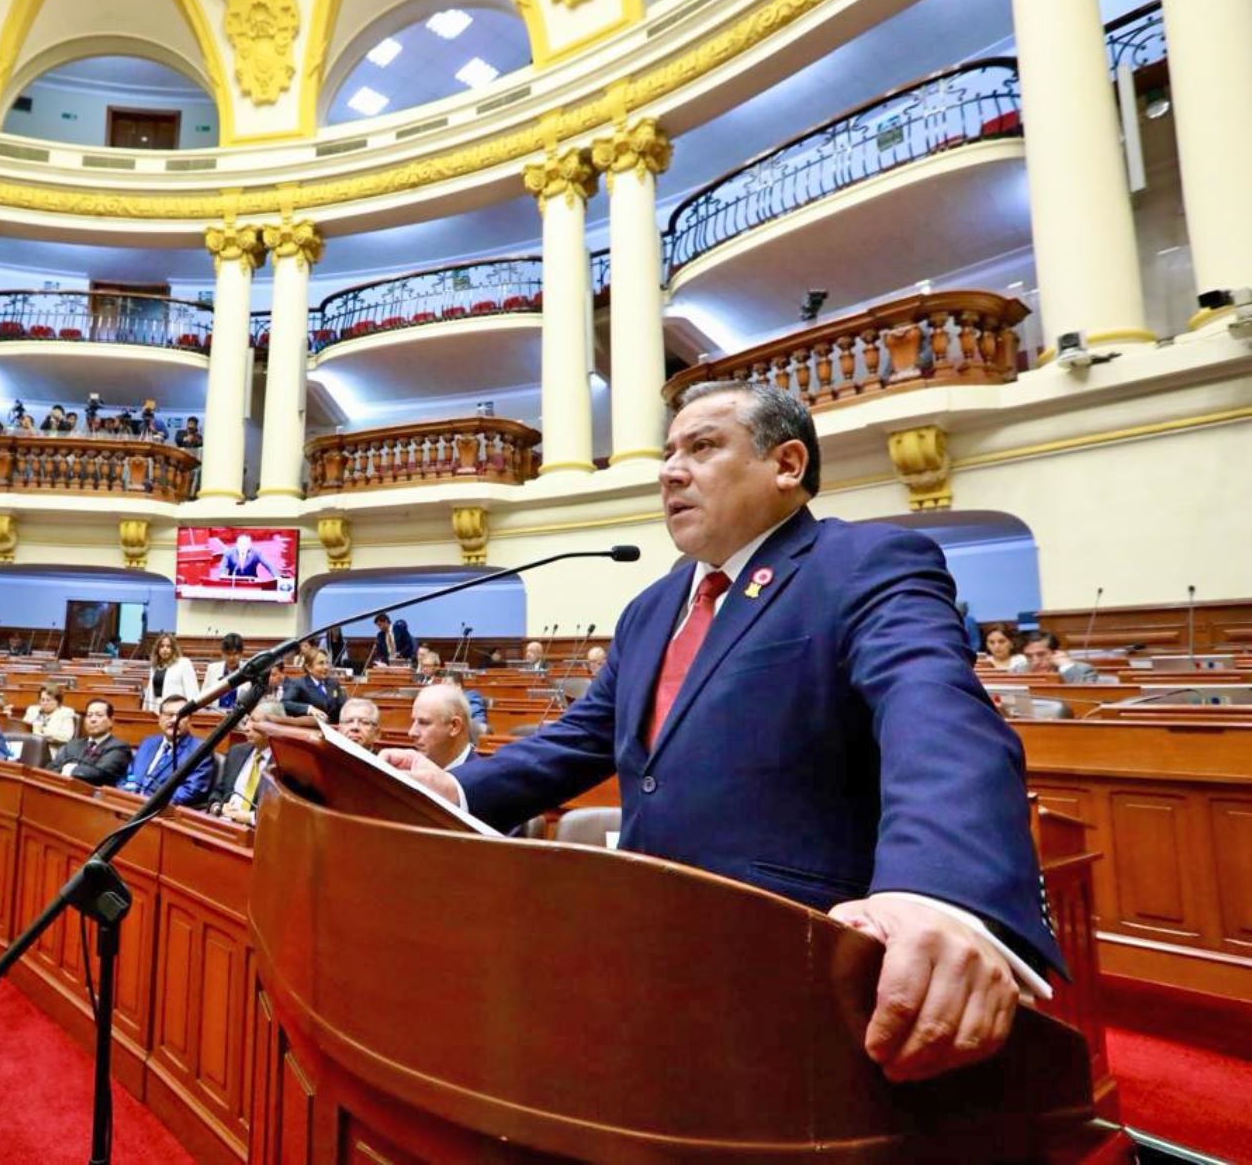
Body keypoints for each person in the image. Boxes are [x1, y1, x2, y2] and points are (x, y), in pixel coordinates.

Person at [382, 380, 1062, 1084]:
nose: (670, 470)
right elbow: (583, 735)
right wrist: (455, 790)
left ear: (787, 465)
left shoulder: (864, 564)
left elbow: (935, 711)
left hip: (807, 965)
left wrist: (937, 892)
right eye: (669, 452)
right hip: (657, 953)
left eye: (703, 447)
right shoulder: (654, 606)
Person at [120, 696, 211, 808]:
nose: (174, 720)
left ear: (189, 719)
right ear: (160, 718)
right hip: (130, 805)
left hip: (160, 811)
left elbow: (191, 790)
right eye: (169, 715)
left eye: (180, 715)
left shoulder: (200, 750)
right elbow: (129, 774)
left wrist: (151, 803)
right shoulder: (148, 742)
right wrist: (124, 794)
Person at [209, 701, 283, 824]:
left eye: (254, 722)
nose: (246, 728)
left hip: (257, 834)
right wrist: (218, 808)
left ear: (273, 726)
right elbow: (218, 793)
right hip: (224, 824)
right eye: (247, 720)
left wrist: (250, 817)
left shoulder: (284, 763)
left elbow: (282, 812)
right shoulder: (236, 752)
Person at [48, 700, 134, 785]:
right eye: (89, 715)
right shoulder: (73, 745)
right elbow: (51, 768)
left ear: (111, 720)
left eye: (99, 715)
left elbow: (100, 774)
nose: (93, 720)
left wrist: (71, 769)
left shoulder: (119, 748)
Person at [404, 682, 479, 771]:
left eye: (424, 723)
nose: (411, 732)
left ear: (454, 726)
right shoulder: (409, 772)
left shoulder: (483, 780)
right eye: (413, 721)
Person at [282, 648, 347, 723]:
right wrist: (309, 709)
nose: (326, 667)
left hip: (333, 728)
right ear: (309, 667)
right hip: (309, 729)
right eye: (321, 663)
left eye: (327, 663)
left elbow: (342, 704)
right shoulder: (298, 683)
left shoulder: (333, 683)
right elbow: (285, 703)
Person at [1013, 632, 1101, 683]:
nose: (1035, 662)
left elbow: (1083, 696)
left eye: (1041, 654)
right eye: (1028, 656)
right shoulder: (1019, 670)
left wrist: (1066, 667)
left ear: (1055, 653)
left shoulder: (1084, 670)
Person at [141, 633, 199, 710]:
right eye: (162, 646)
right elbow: (150, 691)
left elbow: (192, 690)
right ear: (157, 649)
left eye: (168, 646)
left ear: (173, 649)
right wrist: (145, 709)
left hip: (176, 710)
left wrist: (191, 709)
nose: (165, 649)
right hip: (156, 709)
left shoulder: (183, 663)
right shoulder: (154, 667)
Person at [201, 633, 249, 710]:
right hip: (215, 715)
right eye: (228, 654)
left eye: (235, 654)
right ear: (222, 653)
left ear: (241, 654)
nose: (231, 658)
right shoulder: (212, 669)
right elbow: (203, 697)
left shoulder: (249, 671)